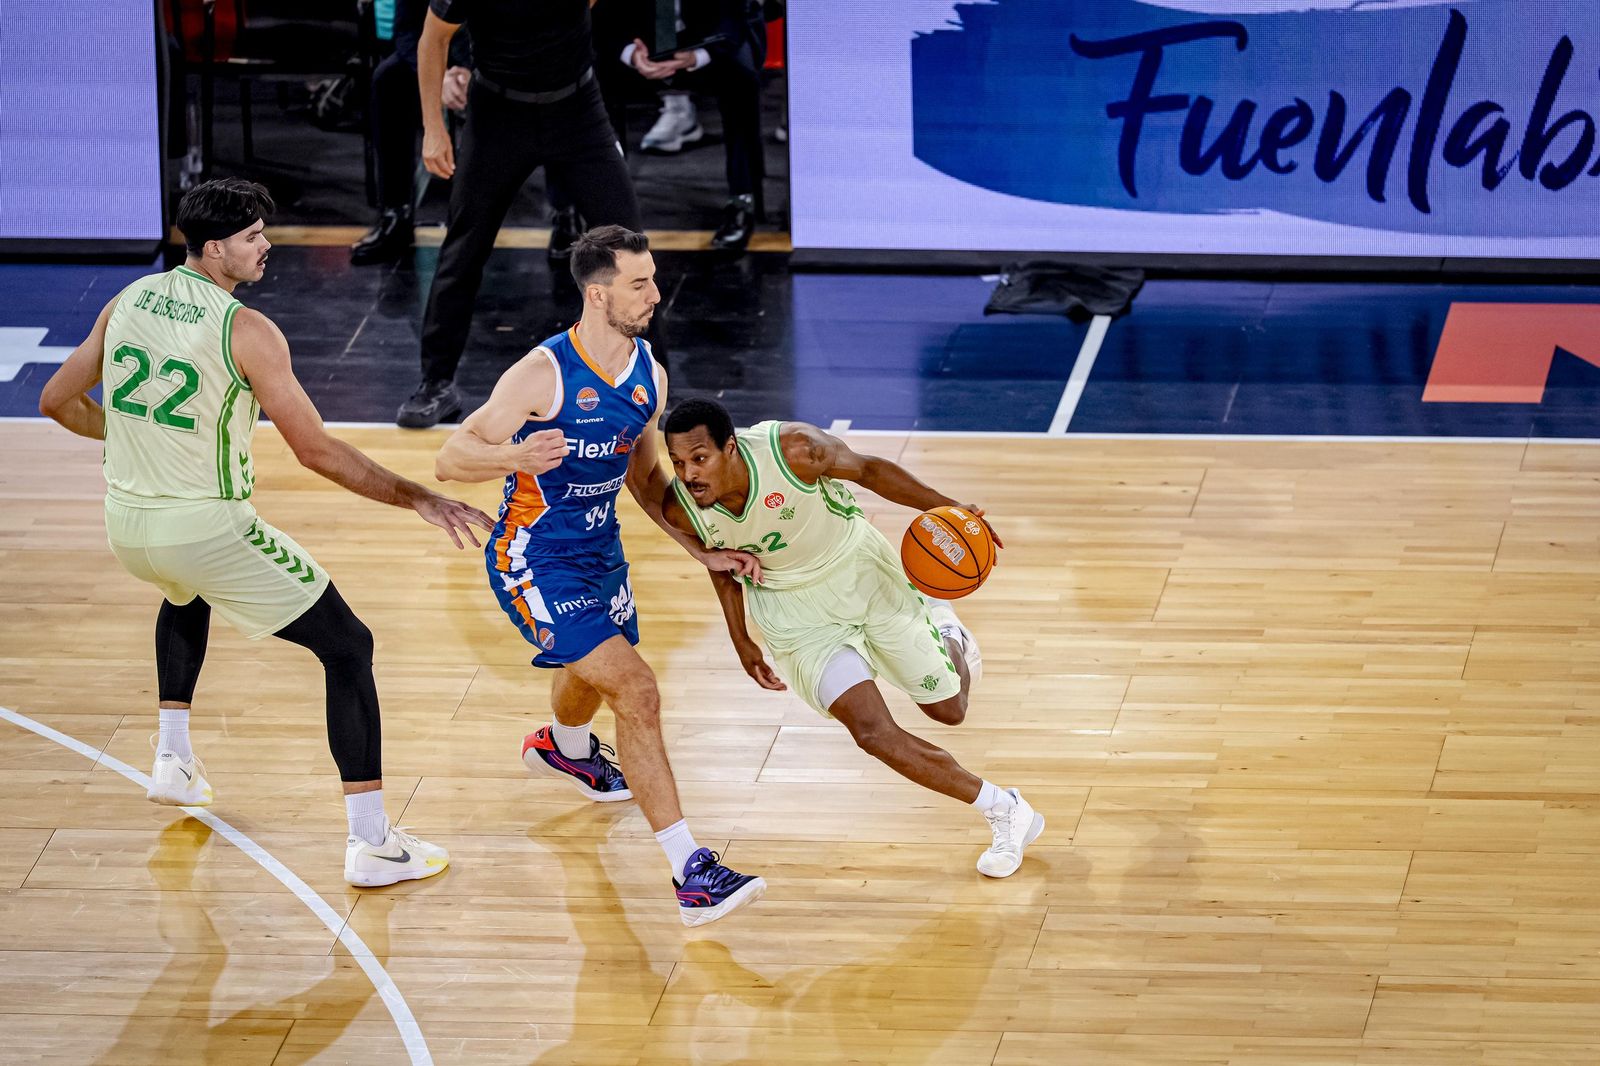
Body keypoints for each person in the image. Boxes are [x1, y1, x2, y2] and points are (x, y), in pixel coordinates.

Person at [37, 178, 491, 888]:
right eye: (252, 236)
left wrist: (136, 445)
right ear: (215, 249)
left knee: (183, 590)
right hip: (206, 526)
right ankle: (372, 843)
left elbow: (55, 400)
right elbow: (317, 451)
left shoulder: (126, 300)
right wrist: (416, 498)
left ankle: (173, 759)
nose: (266, 245)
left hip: (127, 526)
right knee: (349, 646)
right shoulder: (246, 330)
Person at [434, 225, 766, 926]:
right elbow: (452, 456)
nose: (655, 294)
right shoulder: (542, 374)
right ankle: (691, 872)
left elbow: (646, 478)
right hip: (535, 556)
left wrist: (700, 549)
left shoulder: (649, 370)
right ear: (598, 291)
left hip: (600, 551)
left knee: (591, 672)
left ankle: (565, 748)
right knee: (636, 689)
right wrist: (514, 459)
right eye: (639, 283)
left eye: (653, 278)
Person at [660, 398, 1045, 878]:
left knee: (949, 710)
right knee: (870, 732)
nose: (688, 473)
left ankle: (947, 632)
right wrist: (742, 640)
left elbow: (871, 471)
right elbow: (722, 568)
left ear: (732, 448)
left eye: (700, 458)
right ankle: (1004, 809)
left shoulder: (795, 451)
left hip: (861, 571)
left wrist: (949, 509)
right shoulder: (682, 509)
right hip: (794, 615)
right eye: (677, 462)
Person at [398, 0, 647, 429]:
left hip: (577, 109)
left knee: (628, 249)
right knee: (464, 249)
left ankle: (649, 379)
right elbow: (432, 39)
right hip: (498, 112)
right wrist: (434, 129)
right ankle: (435, 382)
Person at [615, 0, 768, 250]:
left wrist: (695, 57)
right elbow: (604, 19)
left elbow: (736, 17)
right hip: (640, 45)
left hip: (708, 43)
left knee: (741, 77)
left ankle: (742, 198)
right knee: (585, 78)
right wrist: (631, 53)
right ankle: (586, 208)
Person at [351, 0, 475, 265]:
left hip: (501, 54)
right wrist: (438, 75)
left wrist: (468, 67)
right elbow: (406, 31)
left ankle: (564, 217)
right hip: (433, 49)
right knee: (388, 80)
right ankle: (396, 216)